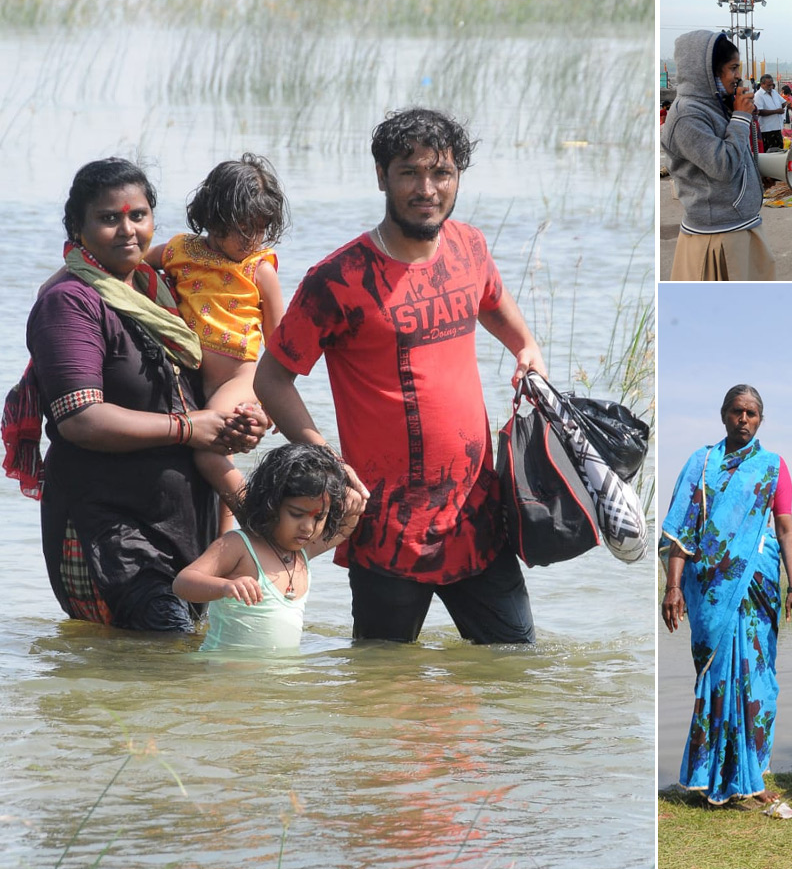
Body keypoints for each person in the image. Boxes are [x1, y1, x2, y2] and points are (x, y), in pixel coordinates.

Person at [254, 108, 546, 644]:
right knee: (380, 684)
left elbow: (499, 309)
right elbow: (271, 379)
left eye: (442, 173)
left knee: (513, 668)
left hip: (477, 517)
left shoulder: (471, 248)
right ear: (381, 176)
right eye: (409, 172)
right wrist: (327, 461)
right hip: (385, 525)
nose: (427, 188)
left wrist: (527, 349)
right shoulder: (336, 280)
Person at [14, 158, 266, 631]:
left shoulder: (164, 293)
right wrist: (191, 428)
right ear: (77, 227)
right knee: (164, 661)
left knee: (171, 681)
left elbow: (208, 389)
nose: (127, 230)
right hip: (109, 531)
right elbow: (80, 419)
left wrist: (238, 423)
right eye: (109, 218)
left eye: (138, 215)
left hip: (187, 533)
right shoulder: (70, 302)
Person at [660, 385, 792, 805]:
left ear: (761, 420)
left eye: (752, 413)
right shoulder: (700, 464)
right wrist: (673, 587)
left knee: (757, 681)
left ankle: (750, 776)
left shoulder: (772, 467)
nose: (744, 419)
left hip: (757, 587)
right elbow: (682, 532)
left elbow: (785, 529)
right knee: (715, 679)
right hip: (709, 589)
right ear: (723, 415)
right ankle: (708, 777)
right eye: (737, 411)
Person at [145, 154, 287, 528]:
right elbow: (130, 264)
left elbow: (282, 346)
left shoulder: (260, 269)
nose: (250, 239)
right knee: (218, 461)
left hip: (239, 378)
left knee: (207, 454)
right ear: (211, 216)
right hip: (193, 380)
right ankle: (225, 548)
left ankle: (261, 521)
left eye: (259, 228)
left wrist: (270, 403)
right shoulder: (179, 251)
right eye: (241, 228)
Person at [173, 443, 358, 651]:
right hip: (221, 676)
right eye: (296, 514)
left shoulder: (303, 553)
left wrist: (353, 499)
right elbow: (182, 583)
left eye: (319, 517)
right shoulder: (240, 546)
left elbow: (345, 527)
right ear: (270, 504)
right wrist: (224, 587)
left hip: (277, 680)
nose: (307, 526)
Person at [660, 31, 775, 281]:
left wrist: (754, 177)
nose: (738, 77)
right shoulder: (687, 116)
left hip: (738, 226)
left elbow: (735, 154)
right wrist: (742, 117)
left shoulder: (717, 105)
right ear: (708, 72)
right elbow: (722, 166)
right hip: (716, 236)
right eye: (733, 68)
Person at [754, 73, 787, 151]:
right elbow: (760, 111)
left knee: (779, 150)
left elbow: (783, 102)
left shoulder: (774, 92)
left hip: (777, 127)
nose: (771, 87)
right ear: (762, 84)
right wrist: (776, 111)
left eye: (772, 85)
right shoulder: (758, 95)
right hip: (767, 129)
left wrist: (785, 105)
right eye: (768, 85)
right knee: (769, 152)